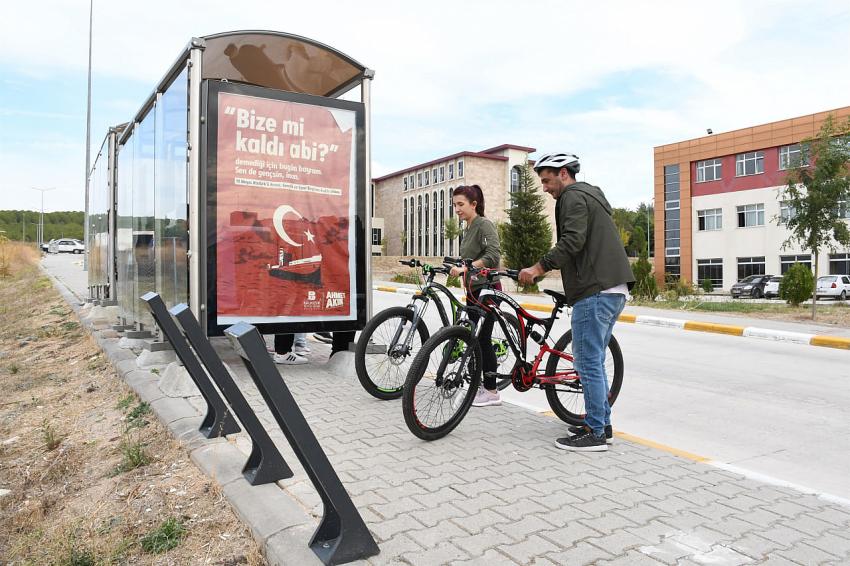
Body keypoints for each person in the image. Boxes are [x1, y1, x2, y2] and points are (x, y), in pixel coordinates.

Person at [518, 153, 634, 452]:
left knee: (587, 362)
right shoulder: (590, 196)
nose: (544, 188)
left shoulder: (571, 197)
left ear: (564, 174)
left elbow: (572, 241)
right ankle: (601, 423)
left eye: (547, 180)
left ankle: (595, 434)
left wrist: (538, 268)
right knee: (593, 360)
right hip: (614, 289)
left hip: (595, 290)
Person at [448, 184, 503, 408]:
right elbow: (470, 259)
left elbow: (493, 254)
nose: (457, 209)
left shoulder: (483, 224)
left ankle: (491, 391)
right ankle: (475, 385)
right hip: (473, 290)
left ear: (474, 204)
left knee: (482, 338)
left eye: (460, 204)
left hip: (488, 289)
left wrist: (467, 269)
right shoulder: (469, 228)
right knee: (471, 337)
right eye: (454, 205)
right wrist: (455, 265)